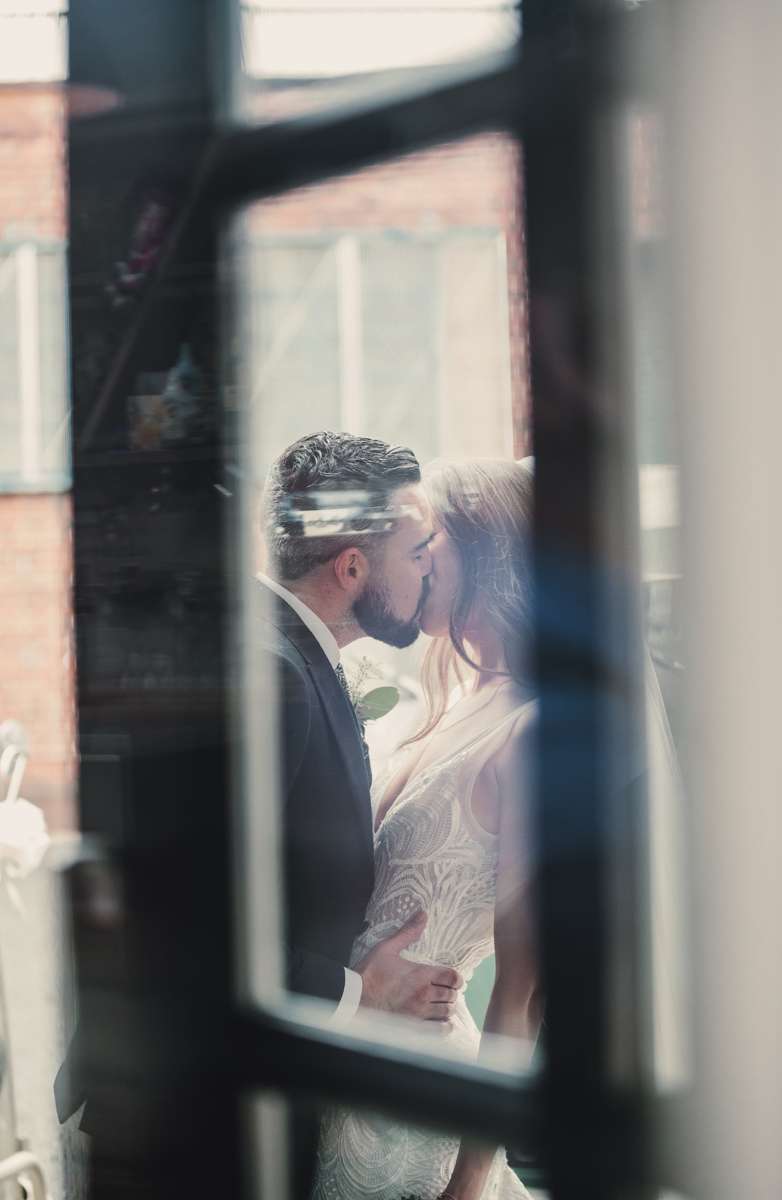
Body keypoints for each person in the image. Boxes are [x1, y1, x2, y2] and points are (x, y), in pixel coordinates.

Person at [313, 458, 541, 1200]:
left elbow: (523, 992)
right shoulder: (446, 703)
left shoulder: (530, 730)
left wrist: (469, 1184)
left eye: (426, 540)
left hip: (417, 1109)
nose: (411, 560)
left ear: (483, 551)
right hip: (335, 1070)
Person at [257, 432, 465, 1198]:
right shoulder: (273, 674)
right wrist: (361, 994)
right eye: (415, 554)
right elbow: (191, 920)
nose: (429, 571)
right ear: (351, 568)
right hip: (225, 1115)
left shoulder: (294, 657)